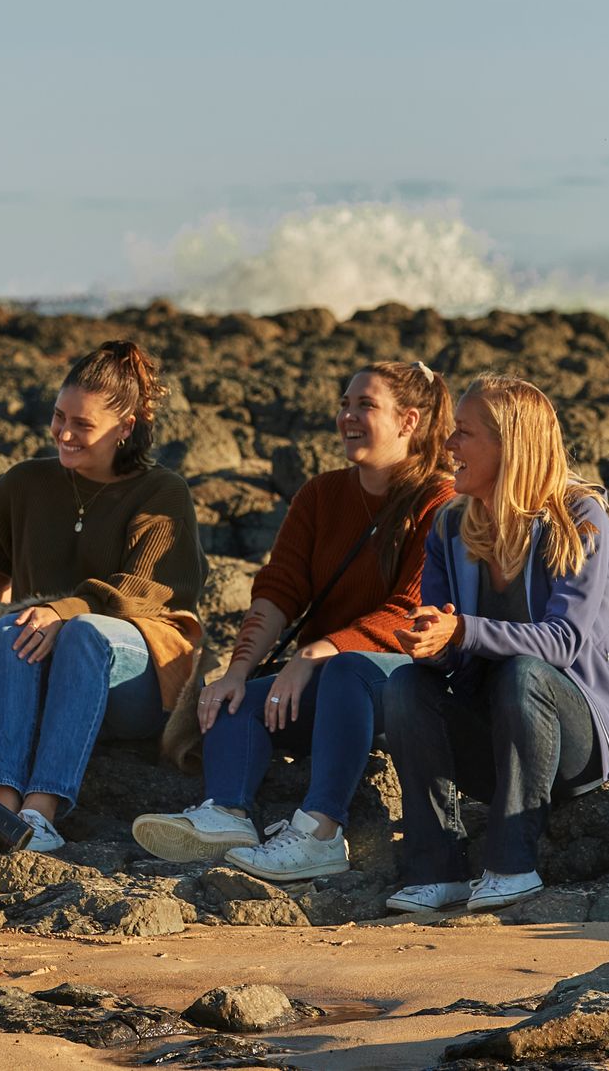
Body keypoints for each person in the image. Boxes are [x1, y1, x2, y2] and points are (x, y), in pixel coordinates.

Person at [132, 362, 454, 881]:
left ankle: (320, 834)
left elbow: (408, 615)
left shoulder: (442, 502)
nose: (347, 416)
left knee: (347, 671)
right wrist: (238, 671)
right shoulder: (321, 494)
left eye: (365, 406)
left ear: (409, 421)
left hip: (399, 682)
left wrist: (312, 654)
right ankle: (225, 814)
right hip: (322, 679)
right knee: (237, 701)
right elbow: (279, 589)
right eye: (344, 403)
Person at [383, 373, 609, 914]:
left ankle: (512, 863)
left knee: (525, 672)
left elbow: (564, 642)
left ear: (509, 445)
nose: (448, 447)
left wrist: (465, 630)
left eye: (463, 434)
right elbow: (453, 647)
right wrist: (434, 642)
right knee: (404, 685)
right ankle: (437, 870)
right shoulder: (449, 527)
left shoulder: (579, 518)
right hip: (498, 740)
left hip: (576, 742)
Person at [0, 340, 203, 862]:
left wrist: (64, 611)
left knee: (84, 633)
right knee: (8, 627)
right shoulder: (25, 483)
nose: (64, 434)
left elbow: (141, 590)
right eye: (58, 416)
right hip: (41, 666)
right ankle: (1, 814)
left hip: (133, 680)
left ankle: (40, 814)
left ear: (126, 427)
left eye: (82, 425)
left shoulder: (163, 492)